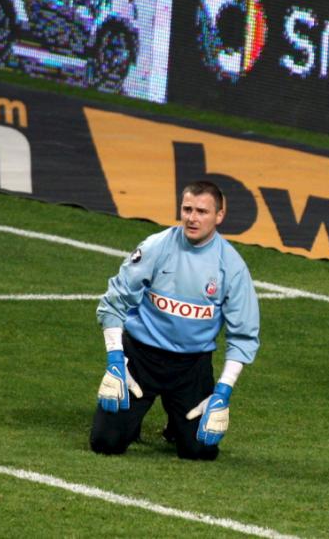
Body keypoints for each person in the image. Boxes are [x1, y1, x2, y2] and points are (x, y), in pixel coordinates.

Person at [90, 180, 261, 460]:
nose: (192, 218)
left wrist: (223, 392)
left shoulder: (232, 267)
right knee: (106, 443)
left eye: (202, 212)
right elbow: (114, 302)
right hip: (141, 358)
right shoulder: (156, 247)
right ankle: (133, 420)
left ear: (219, 215)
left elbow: (243, 337)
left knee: (200, 450)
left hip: (191, 366)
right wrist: (115, 361)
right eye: (187, 209)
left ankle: (176, 422)